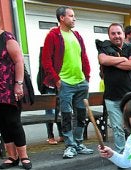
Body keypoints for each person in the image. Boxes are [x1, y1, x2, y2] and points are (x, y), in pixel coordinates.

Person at [42, 6, 93, 160]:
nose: (74, 18)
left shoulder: (77, 35)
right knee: (66, 115)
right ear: (62, 18)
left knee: (81, 115)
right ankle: (70, 145)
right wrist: (57, 80)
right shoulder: (53, 35)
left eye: (74, 15)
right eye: (71, 16)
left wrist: (87, 76)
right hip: (65, 83)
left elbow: (83, 56)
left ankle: (78, 143)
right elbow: (46, 60)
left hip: (81, 82)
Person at [0, 6, 31, 170]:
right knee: (2, 123)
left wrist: (18, 84)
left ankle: (24, 157)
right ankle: (12, 157)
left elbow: (19, 61)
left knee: (13, 122)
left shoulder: (6, 38)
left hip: (7, 90)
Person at [97, 23, 131, 153]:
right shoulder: (104, 47)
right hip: (112, 97)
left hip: (130, 96)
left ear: (123, 34)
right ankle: (121, 154)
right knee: (117, 128)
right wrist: (123, 59)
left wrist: (113, 61)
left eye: (119, 33)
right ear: (109, 35)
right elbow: (103, 60)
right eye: (113, 33)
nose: (116, 36)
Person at [37, 47, 63, 145]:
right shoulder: (47, 56)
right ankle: (51, 136)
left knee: (56, 112)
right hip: (50, 88)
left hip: (54, 87)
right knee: (51, 113)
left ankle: (57, 135)